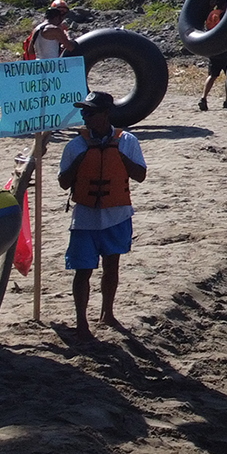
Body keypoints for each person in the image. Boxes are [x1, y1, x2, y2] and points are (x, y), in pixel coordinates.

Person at [58, 91, 148, 335]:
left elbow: (140, 175)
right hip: (85, 218)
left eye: (91, 112)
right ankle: (82, 322)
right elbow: (64, 183)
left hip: (117, 215)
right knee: (83, 271)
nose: (85, 117)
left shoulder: (127, 140)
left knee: (112, 266)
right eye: (83, 112)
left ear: (106, 114)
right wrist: (84, 157)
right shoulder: (75, 145)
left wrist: (116, 153)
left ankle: (107, 313)